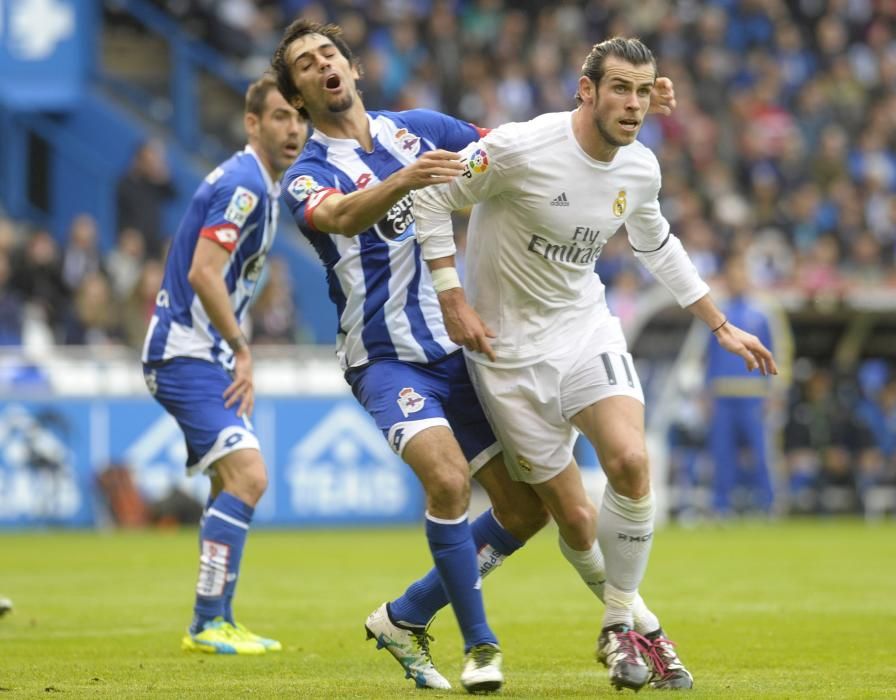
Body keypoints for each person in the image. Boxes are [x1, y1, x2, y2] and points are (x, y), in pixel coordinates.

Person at [270, 20, 682, 693]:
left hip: (464, 351)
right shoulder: (307, 174)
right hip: (385, 358)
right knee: (449, 482)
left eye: (329, 54)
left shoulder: (419, 126)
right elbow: (341, 217)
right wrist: (406, 181)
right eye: (306, 64)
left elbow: (528, 151)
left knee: (532, 512)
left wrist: (618, 109)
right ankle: (482, 645)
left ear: (352, 66)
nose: (322, 66)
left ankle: (404, 617)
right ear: (297, 90)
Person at [411, 37, 777, 692]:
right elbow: (432, 198)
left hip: (584, 330)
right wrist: (452, 297)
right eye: (621, 89)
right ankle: (646, 628)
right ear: (587, 90)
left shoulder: (640, 170)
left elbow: (655, 243)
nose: (634, 105)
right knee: (574, 520)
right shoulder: (522, 148)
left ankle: (617, 627)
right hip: (507, 355)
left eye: (644, 91)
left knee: (631, 462)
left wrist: (720, 324)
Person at [141, 75, 304, 655]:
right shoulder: (245, 186)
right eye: (280, 116)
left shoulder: (256, 183)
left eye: (298, 118)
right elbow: (202, 272)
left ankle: (217, 618)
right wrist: (240, 346)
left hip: (195, 351)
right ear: (252, 123)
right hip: (188, 354)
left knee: (228, 480)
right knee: (249, 475)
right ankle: (207, 623)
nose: (293, 129)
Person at [706, 254, 783, 516]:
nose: (737, 281)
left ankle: (769, 504)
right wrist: (706, 393)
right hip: (723, 394)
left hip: (753, 395)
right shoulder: (717, 313)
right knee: (722, 454)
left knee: (761, 453)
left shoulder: (762, 312)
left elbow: (778, 350)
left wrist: (776, 390)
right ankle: (721, 506)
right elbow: (708, 355)